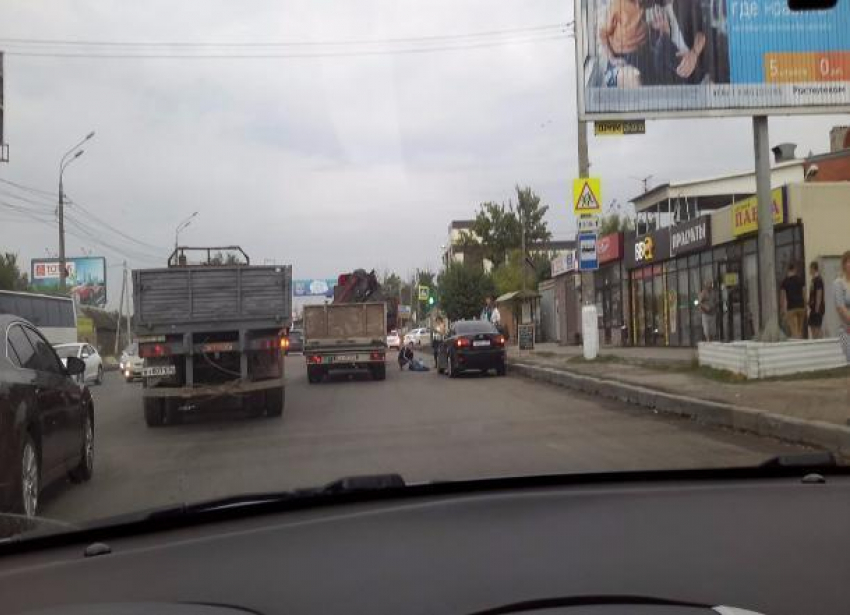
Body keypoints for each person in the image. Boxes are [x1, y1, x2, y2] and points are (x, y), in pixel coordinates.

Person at [780, 263, 806, 339]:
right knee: (800, 330)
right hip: (801, 307)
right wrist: (805, 305)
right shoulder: (800, 279)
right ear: (795, 270)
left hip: (791, 308)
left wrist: (782, 308)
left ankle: (796, 341)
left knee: (794, 330)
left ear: (788, 270)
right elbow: (804, 293)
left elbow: (782, 296)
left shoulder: (784, 282)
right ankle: (800, 341)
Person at [834, 251, 850, 364]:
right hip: (847, 330)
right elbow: (840, 307)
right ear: (844, 264)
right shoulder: (838, 283)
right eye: (849, 262)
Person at [808, 261, 826, 339]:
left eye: (810, 269)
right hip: (813, 307)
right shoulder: (813, 280)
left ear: (813, 268)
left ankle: (820, 342)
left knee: (817, 327)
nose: (809, 270)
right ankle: (815, 341)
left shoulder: (818, 280)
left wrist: (817, 307)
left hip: (817, 308)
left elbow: (819, 293)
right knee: (812, 325)